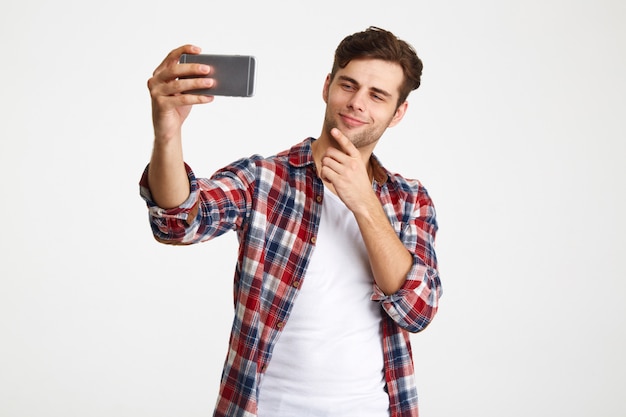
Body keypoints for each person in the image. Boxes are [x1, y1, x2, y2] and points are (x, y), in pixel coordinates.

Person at [140, 26, 442, 417]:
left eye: (377, 95)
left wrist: (363, 202)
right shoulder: (264, 179)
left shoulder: (409, 200)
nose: (357, 103)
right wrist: (167, 132)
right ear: (327, 86)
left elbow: (417, 310)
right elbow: (178, 221)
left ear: (397, 113)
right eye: (348, 85)